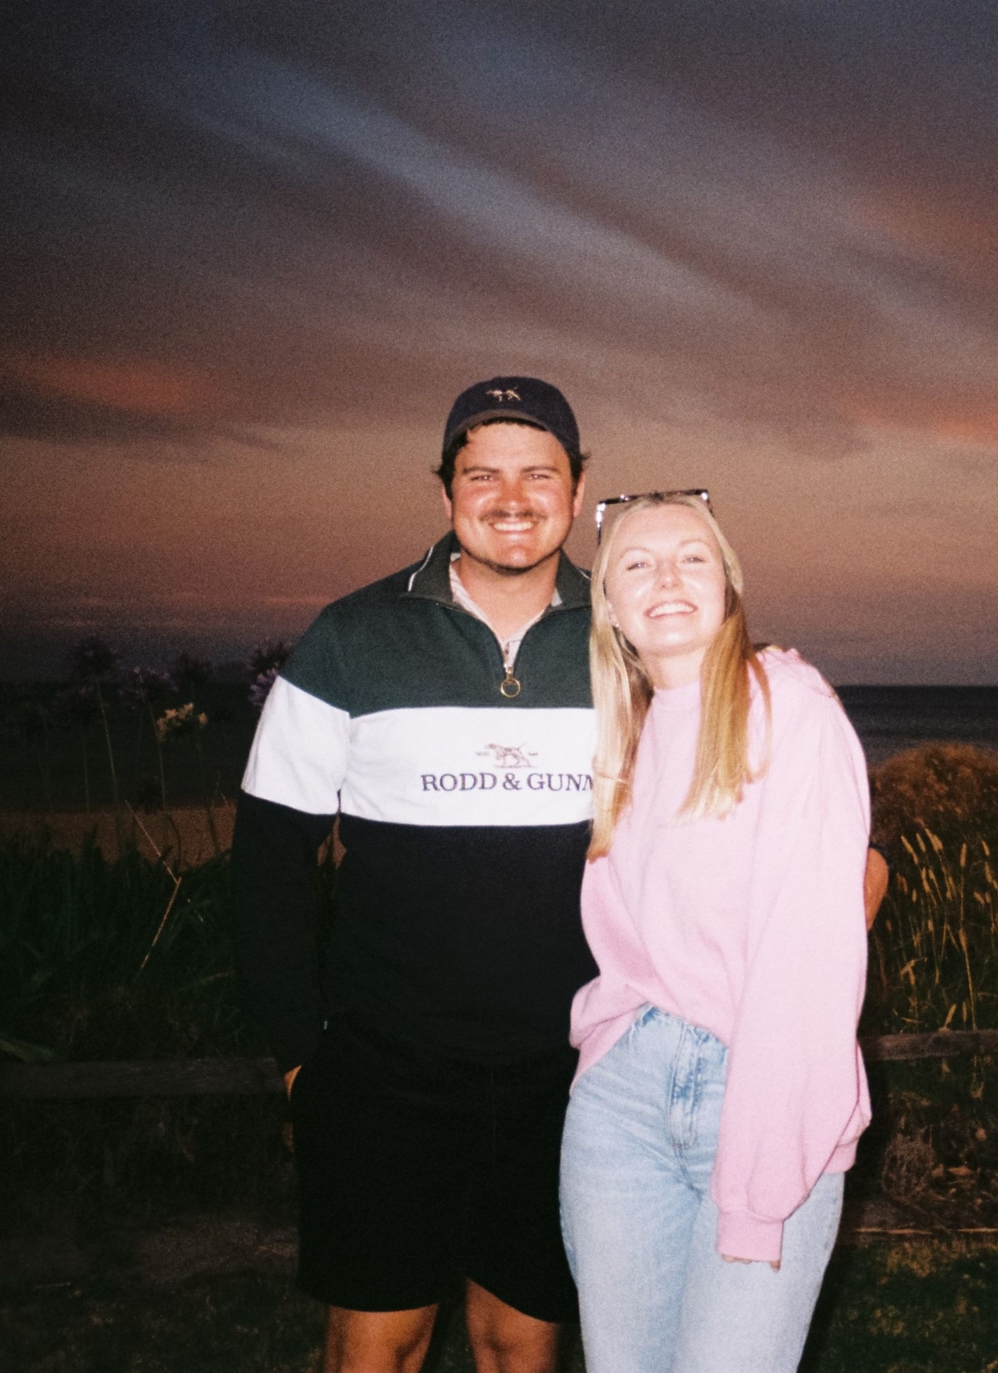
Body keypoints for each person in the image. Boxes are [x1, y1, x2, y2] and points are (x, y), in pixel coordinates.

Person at [234, 376, 599, 1373]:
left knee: (519, 1342)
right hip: (382, 1070)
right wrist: (299, 1052)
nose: (511, 494)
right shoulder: (351, 637)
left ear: (575, 490)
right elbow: (268, 858)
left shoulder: (629, 648)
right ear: (446, 492)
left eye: (538, 471)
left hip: (566, 1070)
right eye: (482, 472)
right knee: (377, 1347)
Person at [559, 491, 872, 1373]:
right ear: (611, 611)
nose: (666, 577)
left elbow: (807, 962)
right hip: (621, 1103)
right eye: (636, 562)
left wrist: (760, 1186)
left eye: (693, 557)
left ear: (728, 588)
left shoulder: (789, 707)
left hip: (759, 1090)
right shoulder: (625, 739)